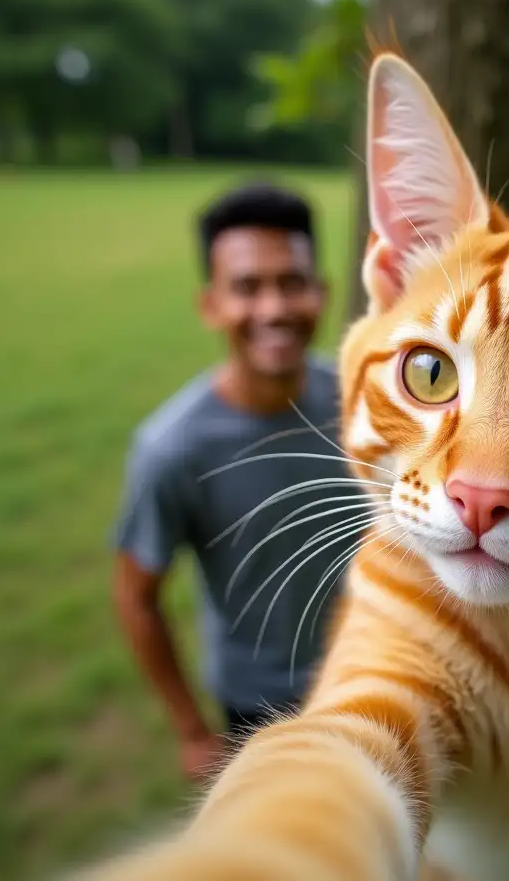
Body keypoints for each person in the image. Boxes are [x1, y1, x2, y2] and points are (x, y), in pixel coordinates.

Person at [112, 183, 353, 780]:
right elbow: (135, 598)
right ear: (211, 305)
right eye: (247, 287)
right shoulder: (172, 449)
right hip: (261, 704)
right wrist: (193, 731)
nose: (273, 308)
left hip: (373, 671)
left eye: (292, 282)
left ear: (320, 293)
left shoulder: (363, 401)